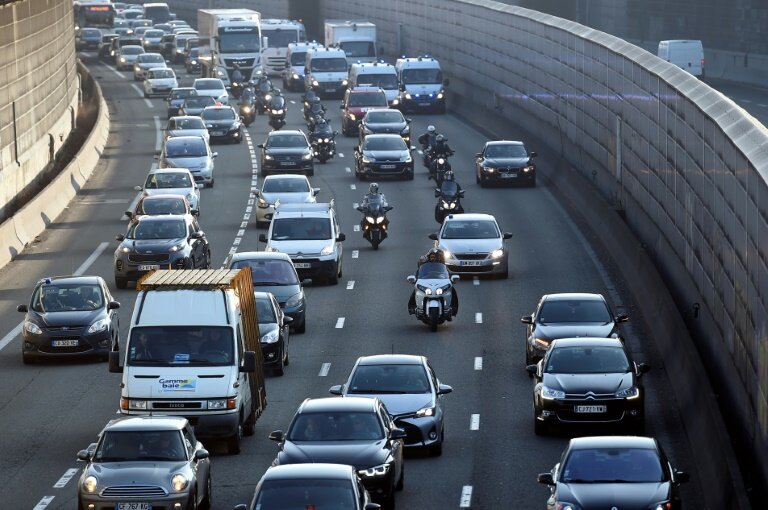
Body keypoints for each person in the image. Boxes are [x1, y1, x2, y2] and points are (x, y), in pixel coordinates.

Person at [408, 247, 459, 317]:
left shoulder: (443, 266)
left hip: (440, 282)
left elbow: (448, 274)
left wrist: (451, 279)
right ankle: (412, 307)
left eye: (435, 257)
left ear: (439, 258)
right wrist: (416, 279)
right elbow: (418, 273)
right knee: (416, 290)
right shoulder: (424, 264)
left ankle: (454, 309)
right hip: (426, 281)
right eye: (432, 256)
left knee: (452, 290)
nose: (433, 258)